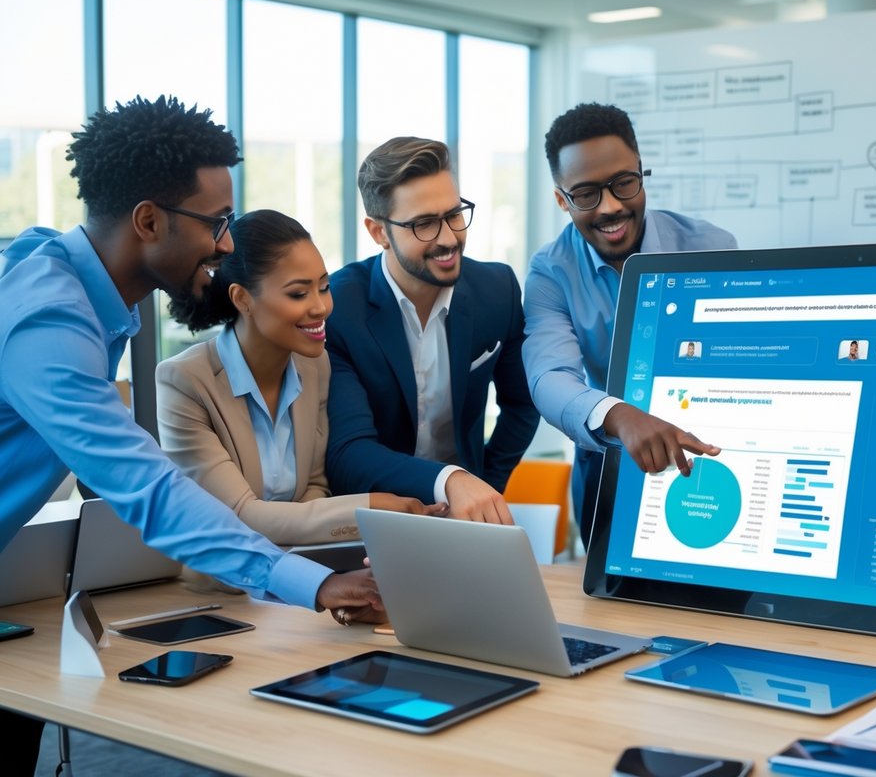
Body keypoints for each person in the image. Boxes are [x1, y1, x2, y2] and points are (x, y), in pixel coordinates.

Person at [0, 96, 379, 774]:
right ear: (149, 221)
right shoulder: (51, 324)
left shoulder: (58, 273)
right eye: (217, 222)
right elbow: (146, 487)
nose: (227, 244)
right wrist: (313, 584)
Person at [156, 209, 446, 554]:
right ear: (242, 299)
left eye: (324, 287)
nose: (321, 307)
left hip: (303, 568)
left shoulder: (315, 365)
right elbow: (238, 515)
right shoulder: (185, 382)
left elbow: (314, 488)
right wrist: (369, 508)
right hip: (223, 577)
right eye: (298, 294)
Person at [524, 102, 736, 542]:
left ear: (641, 172)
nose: (610, 207)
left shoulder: (710, 248)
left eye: (623, 183)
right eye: (586, 194)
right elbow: (548, 377)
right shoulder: (550, 272)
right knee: (604, 586)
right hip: (609, 471)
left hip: (710, 463)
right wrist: (620, 415)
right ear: (561, 200)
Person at [325, 137, 538, 523]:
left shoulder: (497, 291)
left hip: (464, 519)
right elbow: (348, 452)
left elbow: (522, 403)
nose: (448, 238)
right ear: (378, 232)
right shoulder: (338, 308)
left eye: (454, 215)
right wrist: (450, 480)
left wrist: (484, 485)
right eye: (423, 224)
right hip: (374, 521)